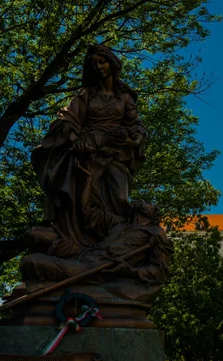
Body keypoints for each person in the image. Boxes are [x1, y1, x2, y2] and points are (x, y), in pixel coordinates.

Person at [20, 45, 171, 303]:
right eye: (94, 64)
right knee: (82, 201)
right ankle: (78, 246)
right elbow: (66, 120)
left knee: (119, 202)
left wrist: (134, 137)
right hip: (87, 153)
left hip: (115, 155)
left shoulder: (125, 98)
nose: (98, 67)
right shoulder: (85, 95)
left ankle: (108, 247)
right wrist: (74, 138)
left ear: (112, 64)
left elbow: (137, 126)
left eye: (102, 62)